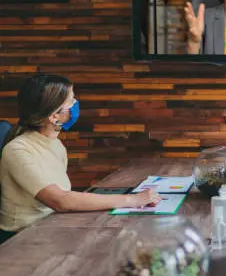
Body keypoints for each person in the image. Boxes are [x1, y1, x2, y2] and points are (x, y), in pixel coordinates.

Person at [0, 75, 162, 244]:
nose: (76, 104)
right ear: (54, 116)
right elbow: (60, 200)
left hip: (52, 227)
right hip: (21, 240)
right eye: (71, 101)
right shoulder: (17, 150)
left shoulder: (55, 145)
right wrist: (132, 200)